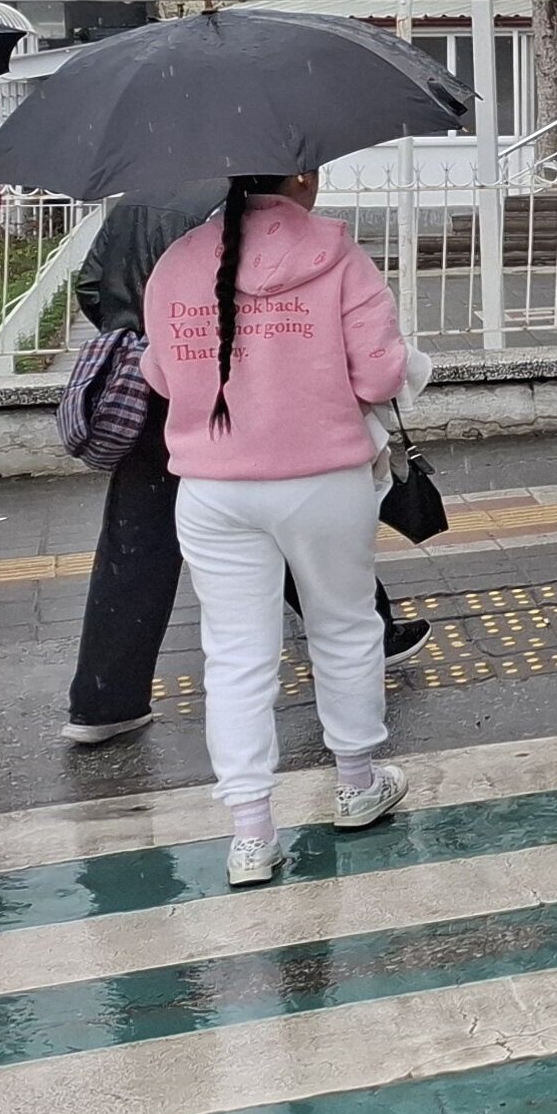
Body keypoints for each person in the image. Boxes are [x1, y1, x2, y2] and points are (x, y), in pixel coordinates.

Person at [60, 182, 428, 747]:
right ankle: (358, 766)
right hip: (279, 429)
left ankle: (105, 702)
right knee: (328, 592)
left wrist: (170, 350)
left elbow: (93, 285)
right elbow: (375, 372)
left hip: (167, 417)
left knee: (142, 557)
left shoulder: (139, 204)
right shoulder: (321, 245)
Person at [139, 172, 418, 884]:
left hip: (211, 485)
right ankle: (356, 783)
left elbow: (162, 376)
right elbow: (381, 376)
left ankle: (250, 833)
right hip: (322, 478)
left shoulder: (177, 262)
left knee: (235, 655)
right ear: (300, 175)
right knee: (345, 627)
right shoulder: (338, 255)